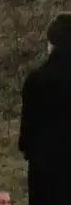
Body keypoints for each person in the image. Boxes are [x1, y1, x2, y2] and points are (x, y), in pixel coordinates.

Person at [19, 12, 71, 205]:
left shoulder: (38, 79)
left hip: (46, 164)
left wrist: (27, 148)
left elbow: (29, 125)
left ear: (54, 43)